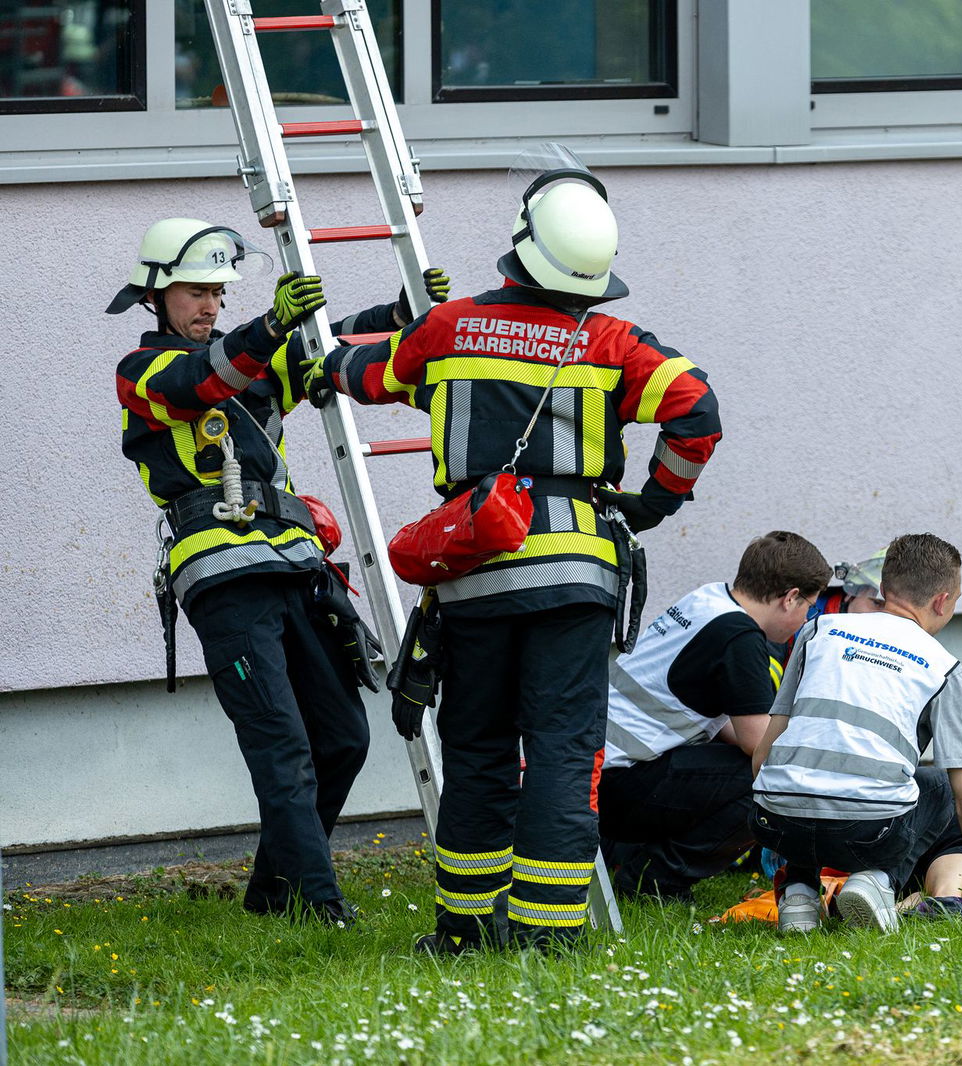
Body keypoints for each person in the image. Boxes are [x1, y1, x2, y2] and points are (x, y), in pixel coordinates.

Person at [309, 150, 722, 952]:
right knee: (563, 754)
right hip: (576, 575)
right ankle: (547, 936)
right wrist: (654, 502)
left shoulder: (451, 326)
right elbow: (696, 412)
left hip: (475, 577)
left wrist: (330, 353)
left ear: (523, 240)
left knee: (477, 754)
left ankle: (464, 931)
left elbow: (366, 374)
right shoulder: (614, 340)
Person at [111, 217, 447, 923]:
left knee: (345, 738)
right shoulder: (141, 370)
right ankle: (320, 904)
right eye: (195, 291)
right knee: (282, 745)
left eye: (217, 293)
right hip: (222, 575)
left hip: (295, 564)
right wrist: (268, 325)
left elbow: (329, 345)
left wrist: (404, 314)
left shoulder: (254, 353)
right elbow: (203, 381)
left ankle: (272, 894)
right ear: (155, 296)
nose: (209, 304)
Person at [750, 533, 962, 934]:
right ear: (942, 601)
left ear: (883, 586)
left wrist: (776, 827)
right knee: (939, 786)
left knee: (813, 778)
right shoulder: (942, 667)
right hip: (868, 834)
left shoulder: (818, 630)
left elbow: (766, 751)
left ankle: (798, 891)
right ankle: (877, 879)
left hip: (775, 819)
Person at [599, 531, 831, 901]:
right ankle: (656, 881)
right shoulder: (740, 637)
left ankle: (635, 863)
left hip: (596, 770)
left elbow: (726, 725)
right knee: (770, 781)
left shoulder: (707, 600)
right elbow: (760, 747)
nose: (807, 618)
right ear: (790, 598)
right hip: (618, 784)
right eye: (810, 607)